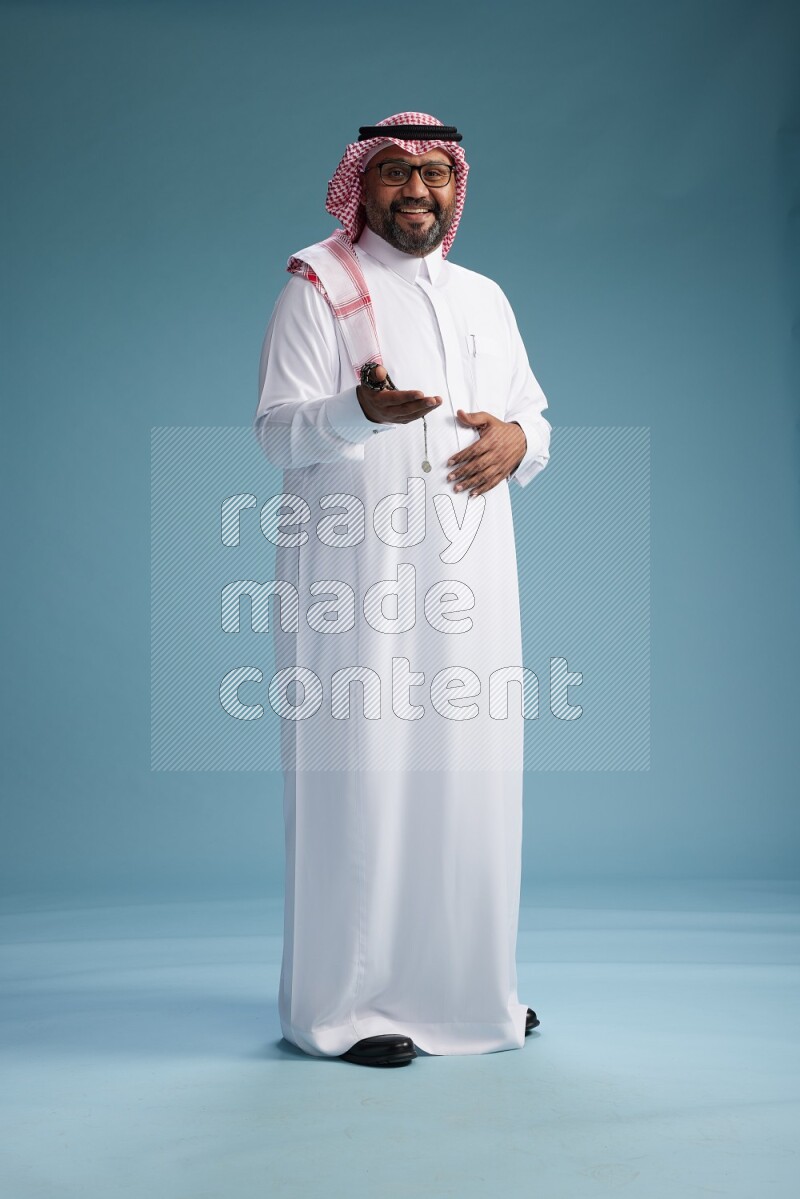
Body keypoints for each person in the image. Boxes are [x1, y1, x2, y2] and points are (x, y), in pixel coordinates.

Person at [254, 112, 552, 1067]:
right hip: (357, 580)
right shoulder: (318, 284)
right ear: (361, 185)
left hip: (471, 578)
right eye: (393, 173)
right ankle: (340, 1008)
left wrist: (518, 441)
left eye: (434, 174)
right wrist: (359, 411)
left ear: (457, 188)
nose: (416, 191)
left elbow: (532, 416)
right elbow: (275, 432)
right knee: (364, 780)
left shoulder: (484, 295)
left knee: (472, 781)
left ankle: (470, 993)